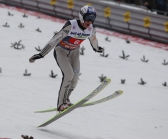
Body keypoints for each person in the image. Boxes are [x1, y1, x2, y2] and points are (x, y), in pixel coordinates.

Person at [29, 6, 104, 111]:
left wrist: (97, 48)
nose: (90, 21)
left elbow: (93, 40)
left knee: (74, 80)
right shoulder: (71, 25)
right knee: (69, 75)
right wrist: (41, 54)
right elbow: (54, 40)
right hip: (61, 51)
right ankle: (61, 104)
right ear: (82, 17)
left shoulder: (91, 29)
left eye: (92, 18)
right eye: (88, 18)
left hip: (74, 53)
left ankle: (67, 99)